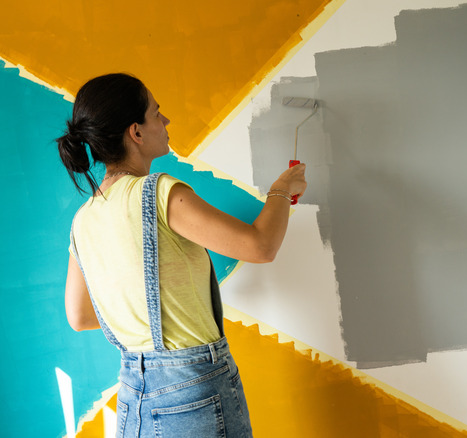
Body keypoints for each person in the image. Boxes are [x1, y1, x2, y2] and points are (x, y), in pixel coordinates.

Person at [57, 73, 306, 437]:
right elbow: (260, 246)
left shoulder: (84, 220)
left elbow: (79, 316)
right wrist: (281, 190)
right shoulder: (158, 192)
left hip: (133, 397)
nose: (166, 121)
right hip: (192, 394)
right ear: (136, 133)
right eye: (157, 113)